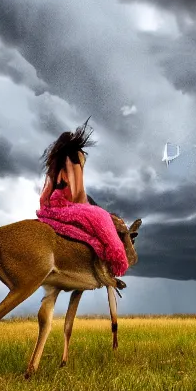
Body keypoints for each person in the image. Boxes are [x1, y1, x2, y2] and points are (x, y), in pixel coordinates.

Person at [36, 118, 129, 277]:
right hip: (66, 204)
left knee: (99, 210)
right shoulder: (73, 156)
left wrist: (49, 211)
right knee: (102, 217)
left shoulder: (53, 167)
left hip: (51, 207)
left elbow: (43, 198)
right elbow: (77, 192)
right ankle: (113, 262)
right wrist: (87, 208)